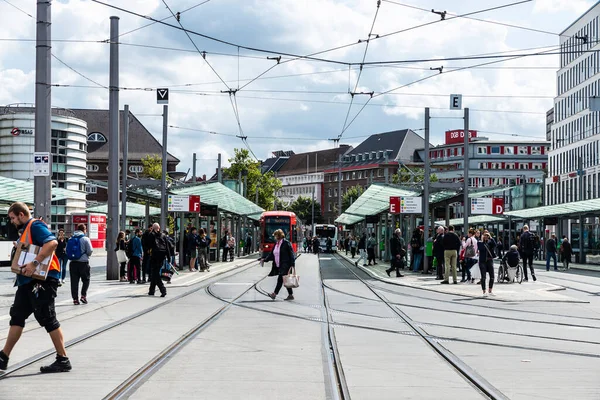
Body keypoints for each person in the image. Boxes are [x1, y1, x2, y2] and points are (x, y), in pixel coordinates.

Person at [0, 202, 71, 374]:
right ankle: (3, 358)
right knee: (17, 316)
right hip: (27, 281)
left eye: (12, 218)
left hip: (43, 281)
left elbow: (52, 243)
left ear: (21, 215)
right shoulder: (25, 230)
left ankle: (63, 360)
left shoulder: (35, 225)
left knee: (47, 317)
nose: (11, 222)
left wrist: (34, 262)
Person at [263, 229, 296, 301]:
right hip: (278, 265)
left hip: (286, 265)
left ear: (278, 236)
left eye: (275, 236)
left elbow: (292, 254)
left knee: (280, 279)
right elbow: (272, 254)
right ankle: (290, 295)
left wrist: (292, 264)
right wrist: (264, 259)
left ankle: (274, 294)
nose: (274, 237)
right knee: (285, 280)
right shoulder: (276, 244)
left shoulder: (286, 243)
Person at [70, 224, 93, 305]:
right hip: (83, 263)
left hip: (73, 263)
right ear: (84, 230)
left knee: (74, 282)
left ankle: (75, 299)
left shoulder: (71, 238)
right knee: (86, 280)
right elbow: (90, 251)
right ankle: (83, 295)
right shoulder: (85, 239)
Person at [148, 223, 170, 297]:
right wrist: (169, 257)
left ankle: (162, 289)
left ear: (152, 228)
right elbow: (167, 247)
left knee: (155, 273)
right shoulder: (163, 235)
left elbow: (148, 245)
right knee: (155, 272)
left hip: (154, 256)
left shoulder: (151, 235)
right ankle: (151, 290)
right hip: (162, 256)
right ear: (159, 228)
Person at [477, 232, 496, 296]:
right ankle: (484, 291)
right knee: (483, 277)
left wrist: (491, 238)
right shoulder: (479, 243)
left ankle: (490, 290)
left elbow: (495, 245)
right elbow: (481, 248)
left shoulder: (490, 242)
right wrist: (482, 240)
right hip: (482, 261)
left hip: (489, 261)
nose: (486, 237)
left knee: (492, 276)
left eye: (487, 236)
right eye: (484, 235)